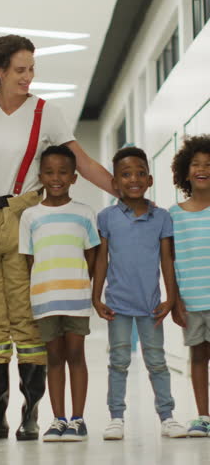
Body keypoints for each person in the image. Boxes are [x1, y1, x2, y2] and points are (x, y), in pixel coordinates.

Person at [0, 34, 114, 442]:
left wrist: (126, 193)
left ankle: (30, 416)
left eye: (31, 69)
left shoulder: (47, 113)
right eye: (20, 70)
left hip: (25, 218)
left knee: (26, 319)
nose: (28, 77)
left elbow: (85, 162)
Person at [92, 146, 187, 440]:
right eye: (125, 174)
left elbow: (167, 261)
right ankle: (116, 417)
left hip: (150, 306)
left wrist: (170, 298)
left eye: (140, 173)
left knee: (157, 362)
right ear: (116, 182)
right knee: (118, 362)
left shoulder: (161, 218)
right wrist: (96, 297)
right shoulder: (107, 217)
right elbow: (101, 259)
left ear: (149, 180)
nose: (133, 179)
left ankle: (167, 416)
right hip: (117, 305)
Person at [19, 145, 100, 442]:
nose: (56, 178)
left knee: (76, 355)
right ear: (40, 177)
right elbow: (29, 259)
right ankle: (58, 419)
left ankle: (78, 420)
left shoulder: (84, 213)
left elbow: (92, 254)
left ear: (74, 177)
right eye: (50, 172)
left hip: (76, 298)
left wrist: (81, 283)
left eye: (63, 172)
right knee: (54, 358)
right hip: (44, 300)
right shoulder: (30, 216)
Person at [170, 135, 210, 437]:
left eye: (209, 164)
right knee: (197, 357)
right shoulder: (173, 215)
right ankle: (203, 416)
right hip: (191, 301)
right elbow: (170, 263)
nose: (202, 169)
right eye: (196, 164)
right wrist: (175, 301)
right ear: (185, 172)